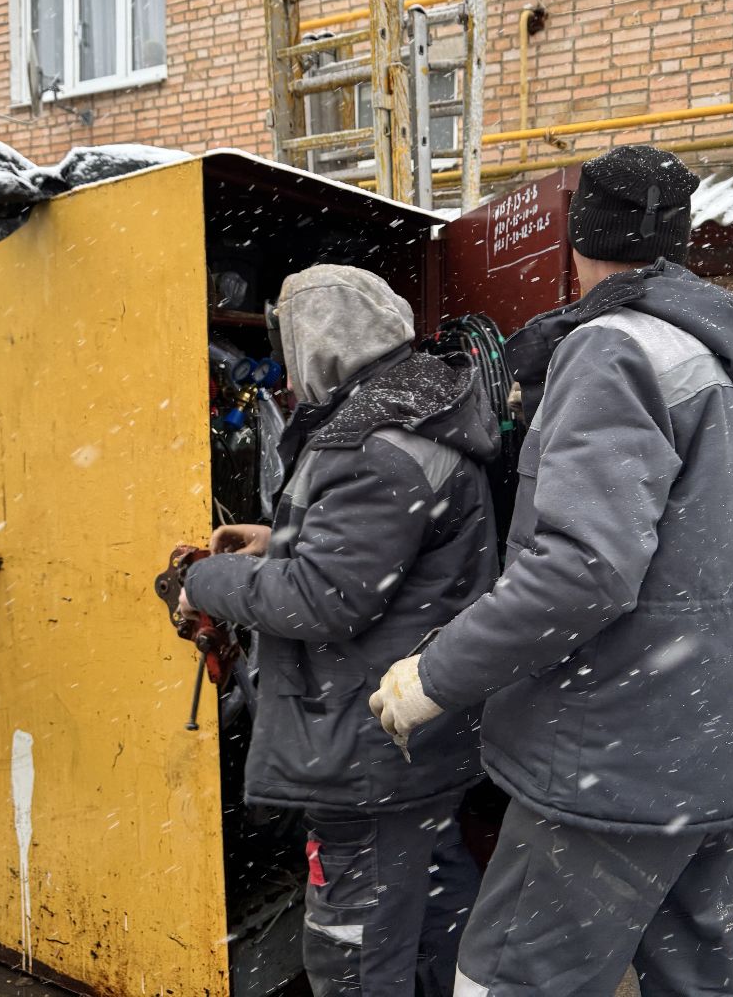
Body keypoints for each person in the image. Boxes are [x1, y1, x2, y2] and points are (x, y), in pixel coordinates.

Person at [369, 145, 733, 997]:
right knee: (698, 980)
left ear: (578, 242)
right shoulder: (718, 355)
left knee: (512, 980)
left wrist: (435, 674)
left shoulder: (611, 349)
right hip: (721, 746)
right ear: (678, 243)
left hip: (618, 760)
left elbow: (584, 571)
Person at [179, 263, 500, 997]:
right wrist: (277, 541)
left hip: (366, 751)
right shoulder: (414, 413)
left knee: (353, 960)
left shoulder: (373, 443)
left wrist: (204, 580)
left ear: (314, 341)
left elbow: (325, 598)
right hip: (418, 740)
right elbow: (381, 559)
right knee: (434, 917)